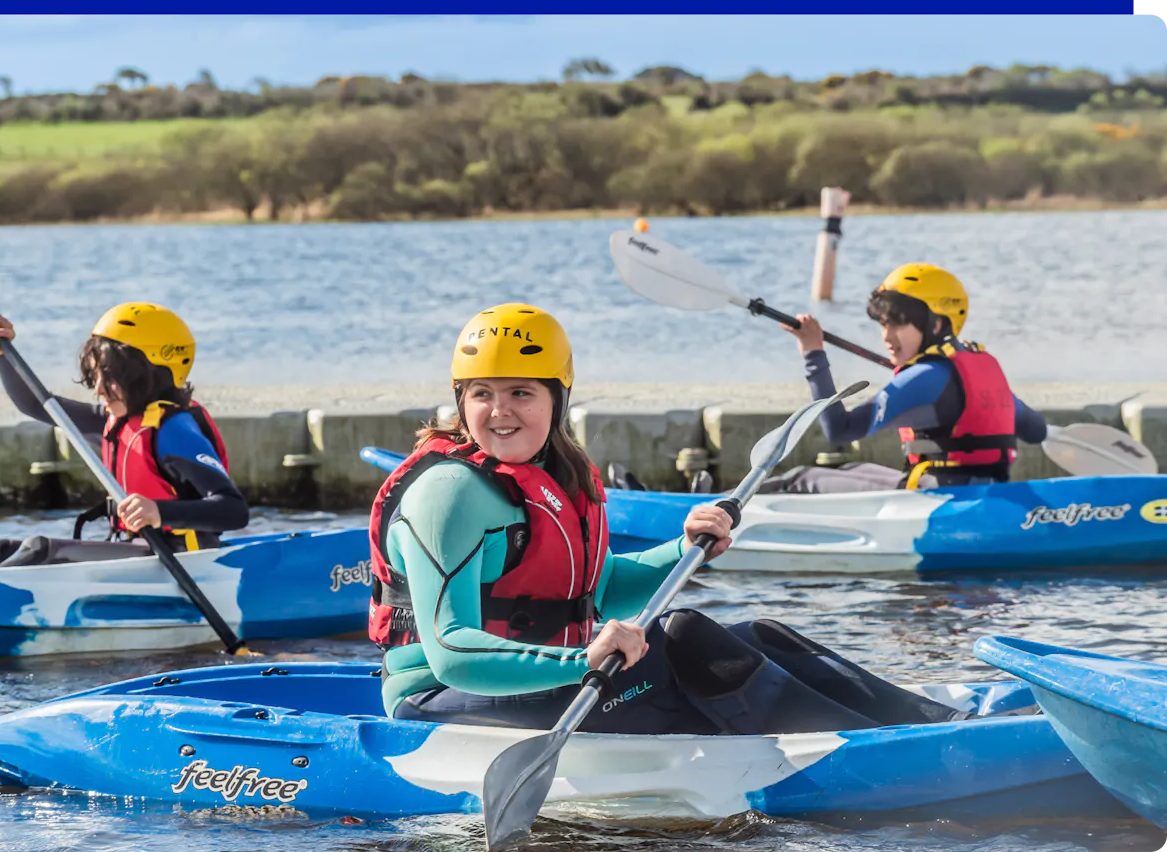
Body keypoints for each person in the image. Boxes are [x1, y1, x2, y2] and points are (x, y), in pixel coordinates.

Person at [366, 303, 969, 735]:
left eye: (521, 392)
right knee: (679, 639)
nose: (499, 411)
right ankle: (871, 748)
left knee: (756, 635)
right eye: (482, 393)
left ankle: (928, 723)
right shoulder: (448, 493)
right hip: (446, 701)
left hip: (551, 681)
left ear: (557, 398)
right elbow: (451, 653)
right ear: (460, 399)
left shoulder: (556, 477)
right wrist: (585, 661)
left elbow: (595, 587)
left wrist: (683, 549)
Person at [0, 302, 250, 567]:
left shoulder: (173, 430)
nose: (97, 389)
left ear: (147, 373)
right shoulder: (115, 420)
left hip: (183, 558)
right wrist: (0, 354)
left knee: (41, 549)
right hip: (137, 552)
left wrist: (159, 512)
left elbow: (233, 510)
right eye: (94, 375)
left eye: (109, 376)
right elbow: (36, 403)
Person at [762, 263, 1048, 494]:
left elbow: (839, 429)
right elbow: (1036, 431)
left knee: (797, 479)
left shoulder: (924, 377)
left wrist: (813, 353)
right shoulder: (976, 370)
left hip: (941, 498)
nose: (886, 336)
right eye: (884, 324)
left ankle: (720, 512)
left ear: (936, 323)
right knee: (849, 470)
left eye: (898, 324)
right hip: (985, 492)